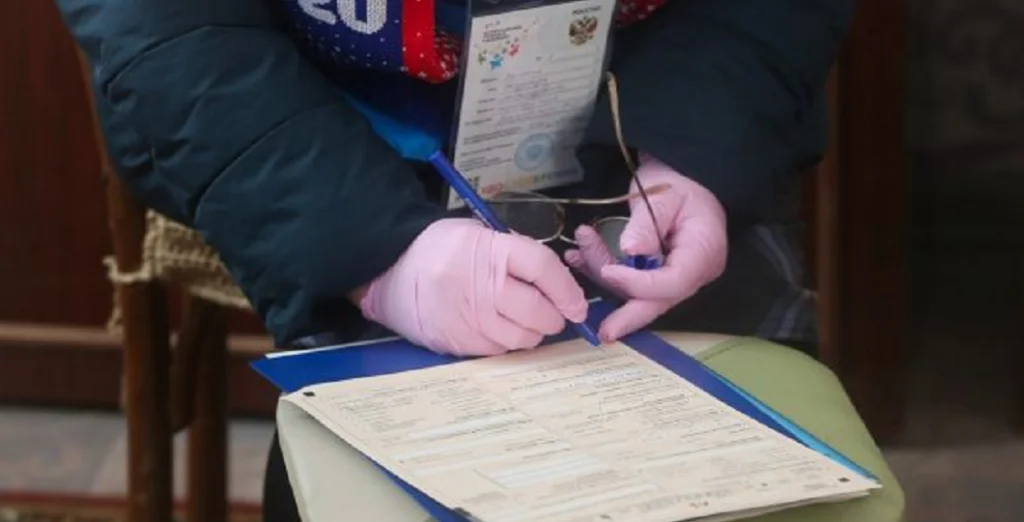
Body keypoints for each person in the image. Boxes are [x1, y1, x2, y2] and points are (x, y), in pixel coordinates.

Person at [56, 0, 855, 519]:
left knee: (751, 454)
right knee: (370, 468)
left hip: (651, 102)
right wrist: (373, 252)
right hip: (319, 134)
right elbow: (166, 29)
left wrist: (698, 147)